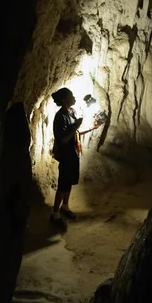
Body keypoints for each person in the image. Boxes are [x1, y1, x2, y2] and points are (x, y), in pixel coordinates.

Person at [50, 87, 101, 229]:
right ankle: (54, 214)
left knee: (70, 182)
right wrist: (76, 125)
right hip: (66, 155)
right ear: (65, 99)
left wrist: (92, 128)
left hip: (73, 153)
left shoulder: (72, 112)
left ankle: (65, 207)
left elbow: (76, 132)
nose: (74, 97)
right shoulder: (60, 117)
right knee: (63, 185)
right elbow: (64, 139)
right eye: (71, 95)